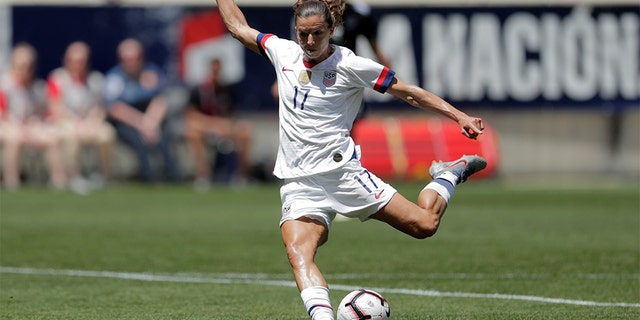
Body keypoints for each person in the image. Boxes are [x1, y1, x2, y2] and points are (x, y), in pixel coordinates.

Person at [215, 1, 487, 320]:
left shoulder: (351, 64)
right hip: (300, 182)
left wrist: (458, 116)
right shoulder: (282, 52)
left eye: (317, 33)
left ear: (332, 30)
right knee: (298, 252)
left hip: (343, 174)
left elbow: (409, 92)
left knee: (425, 225)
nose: (310, 42)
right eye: (304, 34)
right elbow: (238, 28)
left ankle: (449, 173)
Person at [103, 38, 180, 183]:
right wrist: (142, 124)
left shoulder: (151, 73)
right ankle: (149, 178)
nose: (131, 62)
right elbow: (115, 109)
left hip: (150, 118)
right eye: (126, 59)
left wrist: (151, 123)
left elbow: (160, 100)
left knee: (162, 137)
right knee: (136, 139)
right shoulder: (115, 78)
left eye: (134, 58)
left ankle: (173, 177)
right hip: (127, 122)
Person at [48, 41, 115, 193]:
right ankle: (74, 177)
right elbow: (55, 107)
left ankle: (103, 176)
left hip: (90, 123)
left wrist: (92, 122)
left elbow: (100, 107)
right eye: (76, 61)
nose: (80, 65)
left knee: (107, 134)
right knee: (71, 135)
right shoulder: (58, 78)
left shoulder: (96, 79)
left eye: (83, 61)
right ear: (67, 60)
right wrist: (76, 123)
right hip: (65, 123)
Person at [0, 43, 66, 190]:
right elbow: (2, 114)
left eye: (29, 66)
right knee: (14, 138)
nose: (25, 70)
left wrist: (35, 124)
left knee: (52, 137)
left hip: (29, 127)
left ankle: (59, 181)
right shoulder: (4, 85)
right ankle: (12, 182)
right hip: (8, 127)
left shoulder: (38, 87)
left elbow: (41, 114)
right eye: (21, 65)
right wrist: (18, 128)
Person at [184, 57, 252, 190]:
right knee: (192, 133)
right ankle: (203, 175)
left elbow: (233, 114)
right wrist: (213, 124)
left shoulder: (226, 89)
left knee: (245, 131)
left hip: (225, 126)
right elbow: (191, 114)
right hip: (207, 126)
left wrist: (226, 125)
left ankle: (241, 175)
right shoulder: (198, 90)